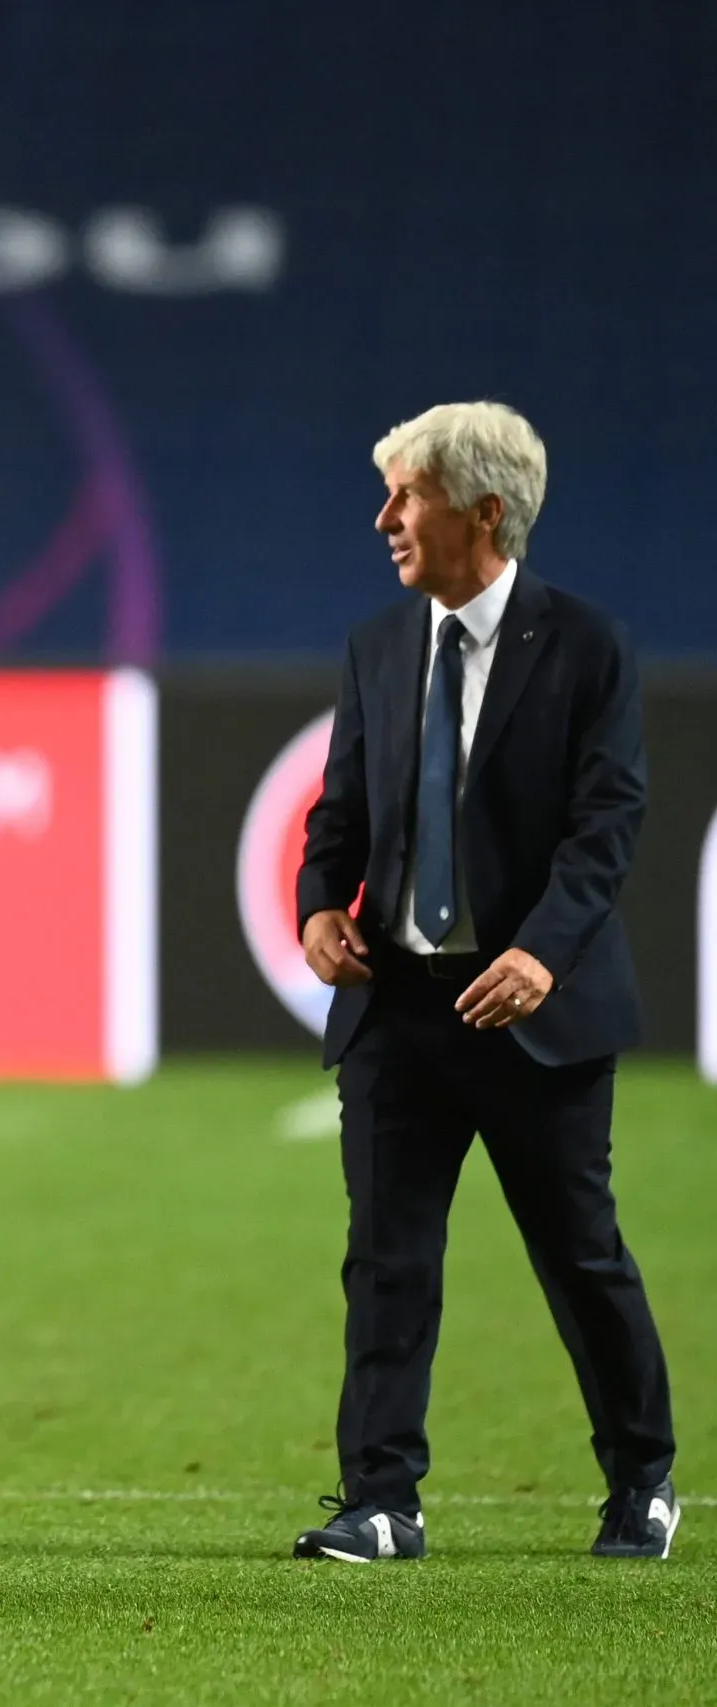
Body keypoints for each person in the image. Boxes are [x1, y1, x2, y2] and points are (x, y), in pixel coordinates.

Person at [292, 401, 676, 1563]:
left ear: (483, 511)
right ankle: (381, 1500)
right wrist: (318, 905)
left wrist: (540, 952)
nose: (384, 518)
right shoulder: (376, 645)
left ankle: (643, 1479)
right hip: (401, 1010)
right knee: (387, 1259)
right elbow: (340, 811)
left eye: (405, 495)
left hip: (535, 1015)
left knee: (577, 1251)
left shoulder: (587, 645)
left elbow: (607, 821)